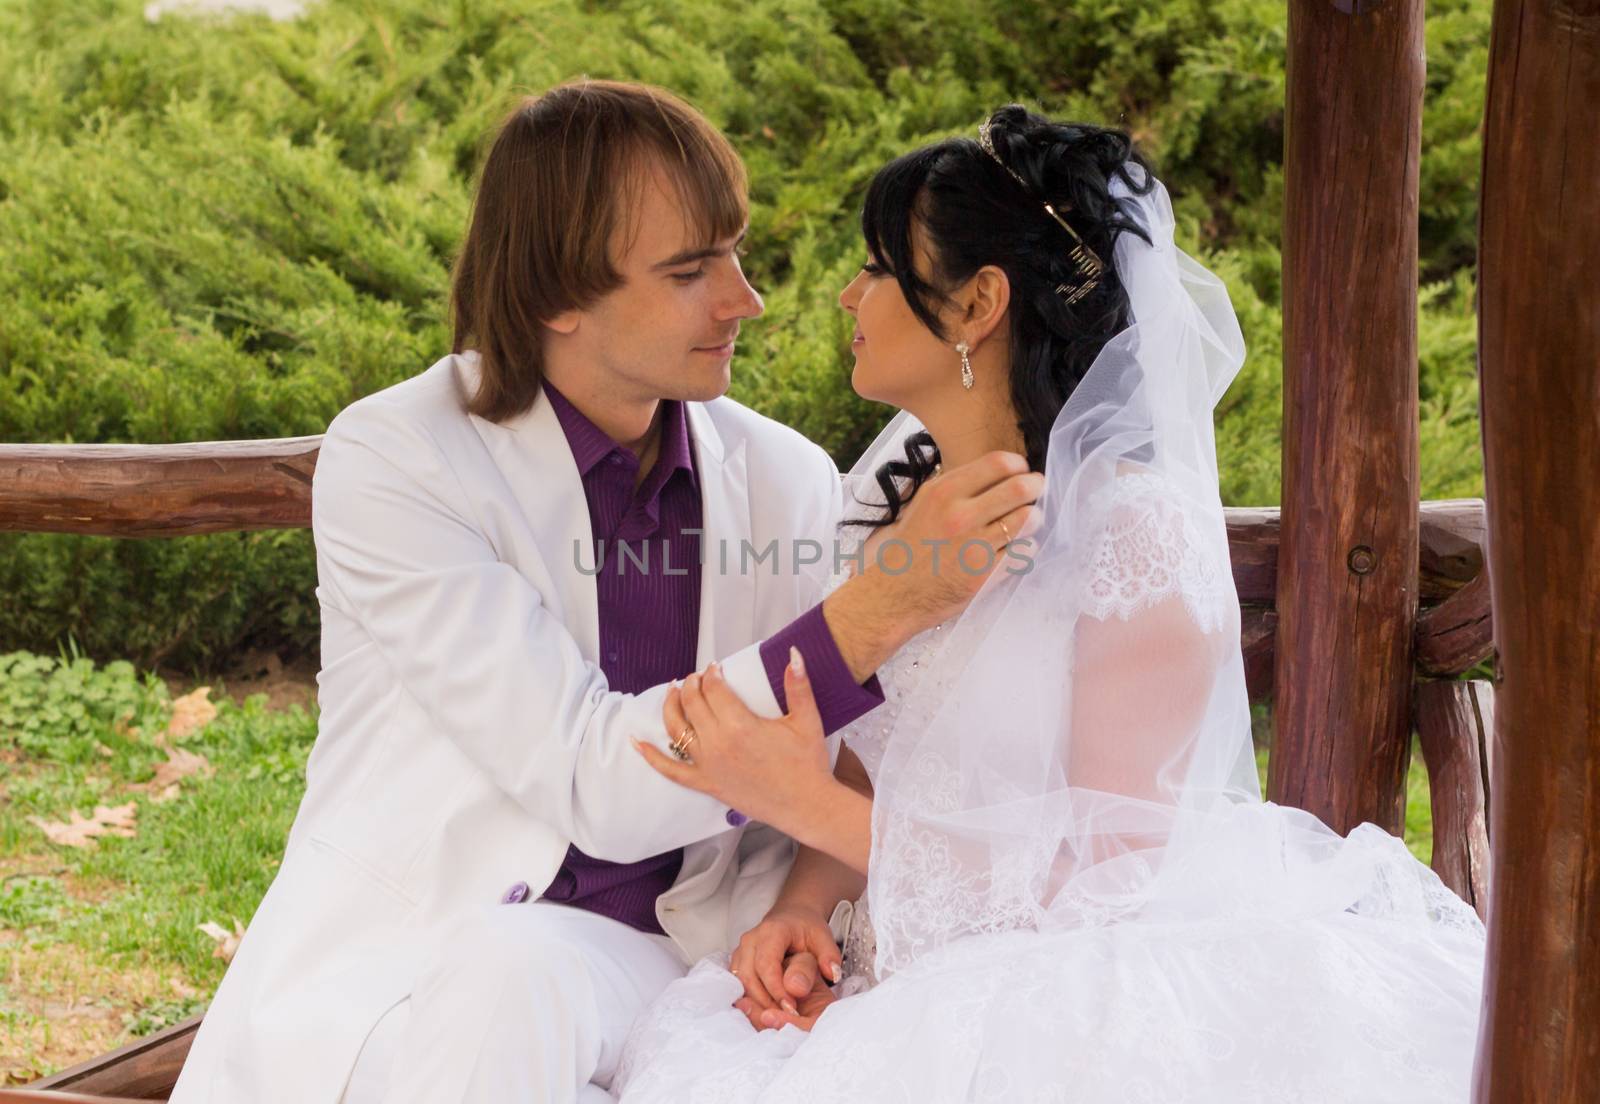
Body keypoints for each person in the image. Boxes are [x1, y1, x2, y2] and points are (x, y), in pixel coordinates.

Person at [169, 81, 1042, 1104]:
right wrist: (880, 608)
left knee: (525, 975)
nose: (744, 301)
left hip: (685, 962)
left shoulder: (785, 474)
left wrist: (801, 910)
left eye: (734, 253)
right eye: (689, 272)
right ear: (555, 297)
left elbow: (826, 761)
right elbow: (594, 780)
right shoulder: (402, 459)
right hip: (428, 955)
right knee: (512, 970)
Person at [615, 106, 1486, 1102]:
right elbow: (877, 758)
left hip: (1067, 1002)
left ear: (978, 302)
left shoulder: (1128, 539)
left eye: (878, 267)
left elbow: (1104, 883)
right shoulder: (894, 508)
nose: (847, 293)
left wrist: (795, 800)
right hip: (895, 970)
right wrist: (803, 907)